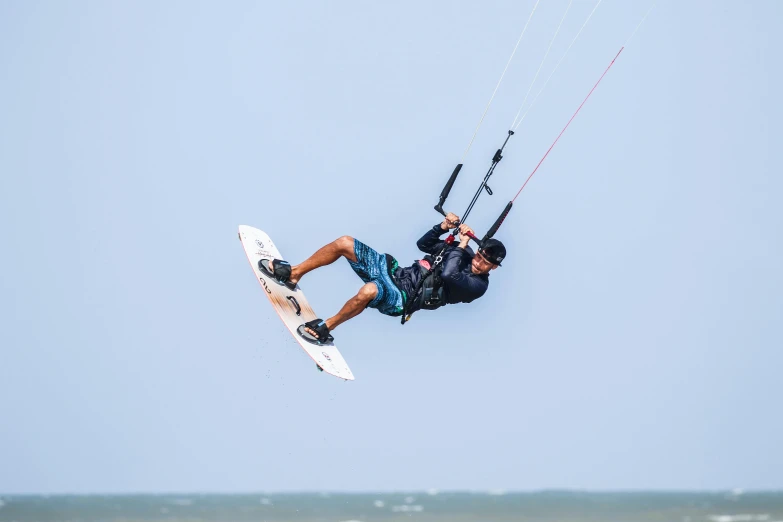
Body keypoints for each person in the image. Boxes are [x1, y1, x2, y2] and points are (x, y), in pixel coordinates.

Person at [258, 212, 506, 344]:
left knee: (368, 291)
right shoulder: (462, 253)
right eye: (480, 255)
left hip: (402, 298)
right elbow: (423, 244)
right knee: (345, 243)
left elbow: (451, 274)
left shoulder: (477, 286)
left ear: (493, 268)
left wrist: (461, 244)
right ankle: (294, 273)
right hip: (394, 273)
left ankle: (327, 328)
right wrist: (443, 227)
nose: (479, 261)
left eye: (486, 262)